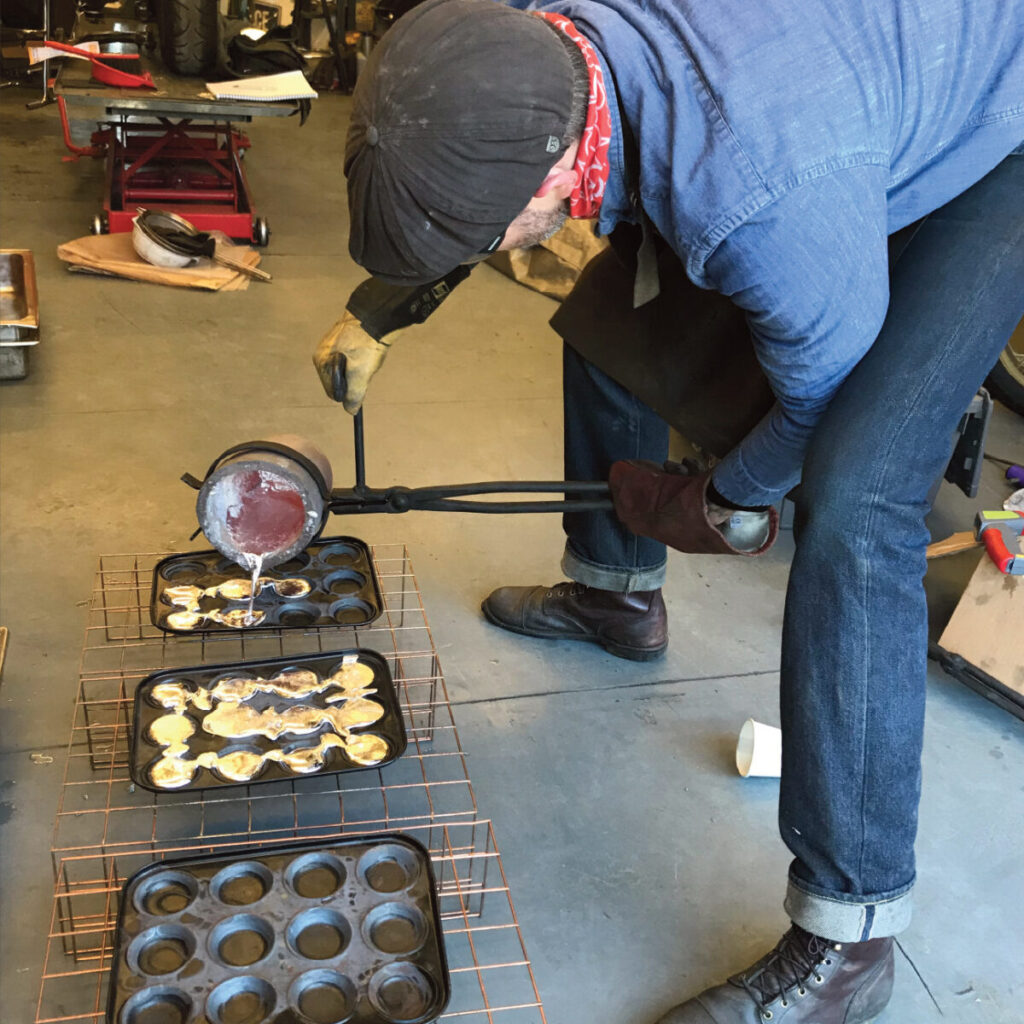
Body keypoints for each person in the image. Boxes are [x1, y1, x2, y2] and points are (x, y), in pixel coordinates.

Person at [314, 0, 1024, 1020]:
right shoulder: (531, 40)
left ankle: (849, 940)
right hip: (836, 91)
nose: (488, 240)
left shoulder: (753, 196)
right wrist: (380, 305)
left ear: (559, 169)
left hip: (997, 117)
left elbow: (815, 398)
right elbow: (466, 131)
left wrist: (721, 497)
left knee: (858, 487)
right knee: (616, 313)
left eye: (488, 227)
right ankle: (614, 596)